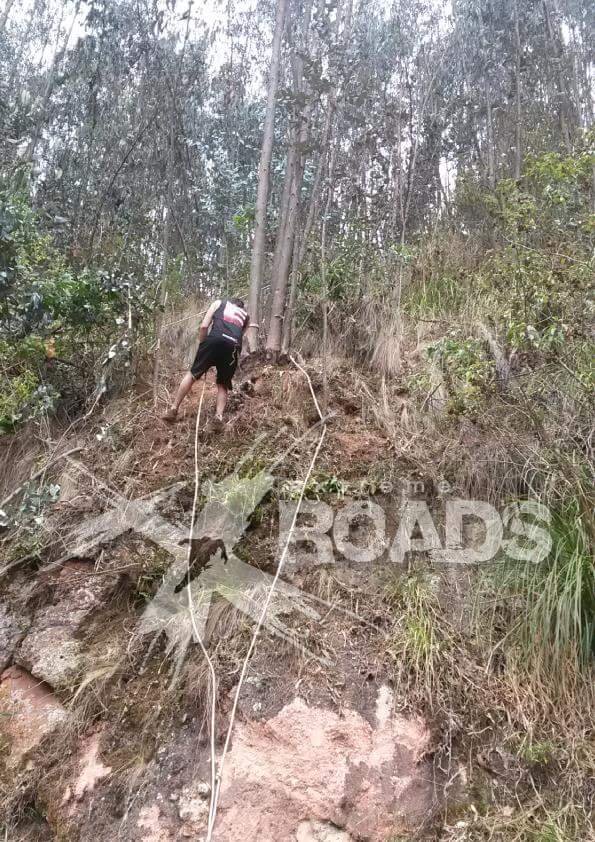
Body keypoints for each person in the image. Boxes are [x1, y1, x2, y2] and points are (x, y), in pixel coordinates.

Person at [162, 297, 249, 424]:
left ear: (231, 302)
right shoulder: (246, 316)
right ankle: (218, 418)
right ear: (241, 307)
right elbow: (240, 334)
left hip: (214, 340)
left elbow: (203, 326)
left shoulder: (219, 303)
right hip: (234, 347)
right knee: (223, 384)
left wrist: (203, 345)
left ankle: (173, 409)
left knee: (192, 375)